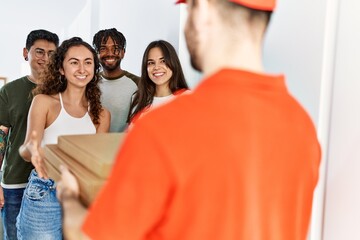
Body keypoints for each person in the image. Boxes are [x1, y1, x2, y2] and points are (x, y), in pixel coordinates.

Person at [57, 0, 321, 239]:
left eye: (189, 8)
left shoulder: (162, 128)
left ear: (203, 9)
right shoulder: (302, 126)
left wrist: (69, 196)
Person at [17, 37, 110, 240]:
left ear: (95, 68)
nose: (82, 68)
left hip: (82, 195)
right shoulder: (43, 102)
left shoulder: (102, 114)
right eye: (74, 62)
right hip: (44, 191)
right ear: (61, 68)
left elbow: (95, 165)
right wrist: (34, 150)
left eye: (88, 62)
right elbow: (25, 150)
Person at [0, 29, 59, 240]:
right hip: (15, 182)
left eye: (52, 53)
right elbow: (1, 137)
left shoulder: (66, 90)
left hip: (52, 184)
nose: (45, 58)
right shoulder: (10, 91)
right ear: (26, 53)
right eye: (39, 52)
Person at [127, 40, 189, 128]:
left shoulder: (188, 99)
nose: (156, 67)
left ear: (173, 63)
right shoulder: (138, 99)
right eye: (151, 63)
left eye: (163, 61)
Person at [93, 28, 139, 132]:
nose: (110, 53)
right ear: (96, 53)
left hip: (124, 146)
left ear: (123, 52)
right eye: (103, 48)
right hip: (94, 144)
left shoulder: (138, 83)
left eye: (116, 48)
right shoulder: (90, 82)